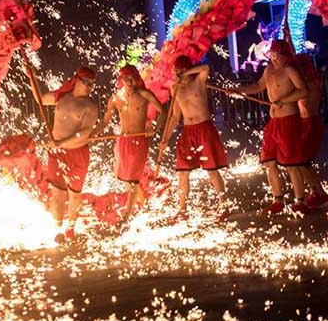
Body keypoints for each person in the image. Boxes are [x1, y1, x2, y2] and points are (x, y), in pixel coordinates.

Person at [236, 40, 309, 214]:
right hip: (273, 123)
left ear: (286, 56)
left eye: (278, 56)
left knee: (292, 164)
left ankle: (300, 202)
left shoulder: (289, 71)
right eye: (272, 55)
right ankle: (278, 200)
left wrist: (283, 100)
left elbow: (303, 91)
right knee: (269, 162)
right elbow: (258, 86)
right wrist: (240, 90)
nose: (274, 59)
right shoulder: (268, 70)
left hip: (289, 121)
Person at [159, 56, 228, 221]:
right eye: (177, 71)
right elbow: (175, 116)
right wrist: (165, 138)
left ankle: (224, 205)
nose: (178, 74)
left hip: (204, 128)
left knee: (212, 170)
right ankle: (182, 210)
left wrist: (186, 73)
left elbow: (205, 68)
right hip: (188, 131)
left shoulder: (199, 81)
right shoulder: (174, 88)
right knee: (182, 172)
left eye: (181, 70)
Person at [94, 65, 164, 223]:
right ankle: (144, 207)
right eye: (126, 79)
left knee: (132, 180)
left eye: (132, 78)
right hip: (123, 142)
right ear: (122, 80)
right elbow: (105, 121)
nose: (130, 82)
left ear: (137, 78)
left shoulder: (144, 94)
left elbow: (162, 111)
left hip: (139, 141)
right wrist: (92, 134)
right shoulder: (116, 98)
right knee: (127, 179)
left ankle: (127, 216)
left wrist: (156, 128)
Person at [39, 67, 99, 240]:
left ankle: (71, 228)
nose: (89, 87)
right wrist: (31, 77)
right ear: (76, 80)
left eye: (92, 84)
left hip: (77, 154)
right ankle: (56, 228)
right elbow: (42, 99)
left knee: (74, 193)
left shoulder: (90, 106)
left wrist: (61, 143)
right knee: (57, 191)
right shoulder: (62, 97)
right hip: (57, 153)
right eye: (86, 82)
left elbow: (84, 133)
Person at [291, 53, 328, 208]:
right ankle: (317, 191)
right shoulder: (310, 79)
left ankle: (317, 191)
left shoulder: (309, 83)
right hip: (308, 122)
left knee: (303, 161)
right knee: (304, 162)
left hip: (311, 123)